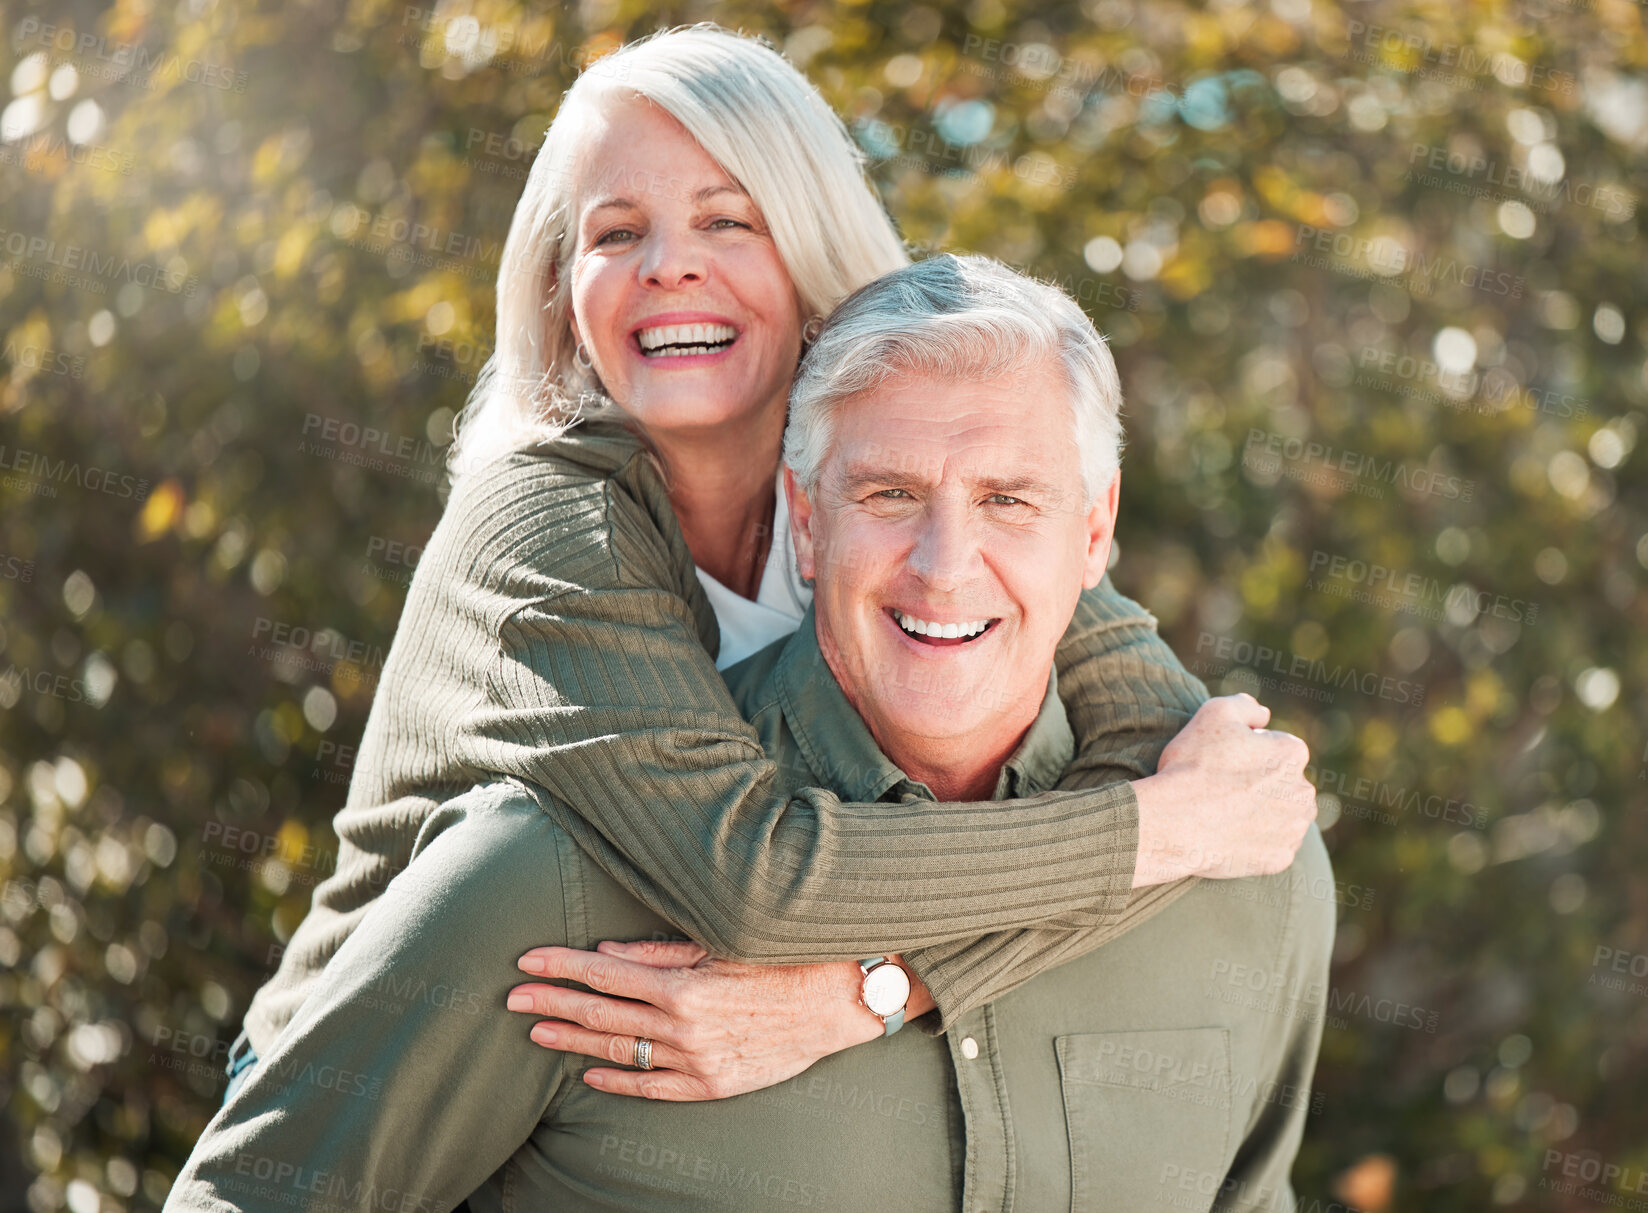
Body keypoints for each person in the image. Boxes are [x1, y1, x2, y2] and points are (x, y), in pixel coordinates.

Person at [224, 24, 1316, 1101]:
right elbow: (754, 882)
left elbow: (1168, 763)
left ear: (808, 247)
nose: (669, 264)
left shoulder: (898, 482)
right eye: (614, 234)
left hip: (590, 1085)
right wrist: (1155, 833)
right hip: (358, 1104)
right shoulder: (538, 526)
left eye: (725, 219)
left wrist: (869, 993)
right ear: (564, 289)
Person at [169, 254, 1333, 1213]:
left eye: (1008, 501)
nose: (943, 565)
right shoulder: (552, 887)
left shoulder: (1244, 871)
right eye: (887, 495)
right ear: (805, 522)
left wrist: (864, 991)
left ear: (1094, 533)